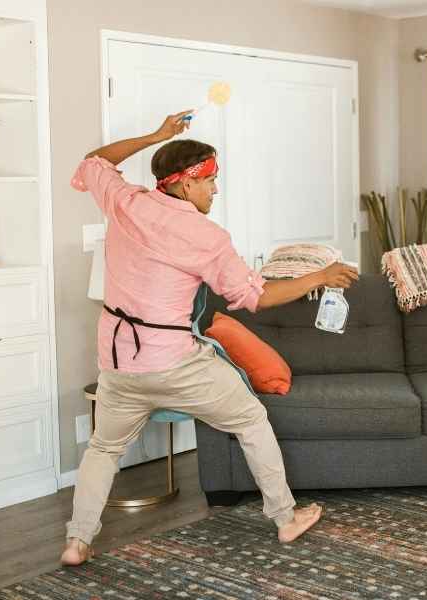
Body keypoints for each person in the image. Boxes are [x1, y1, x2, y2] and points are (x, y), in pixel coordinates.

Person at [61, 111, 359, 566]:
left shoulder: (125, 201)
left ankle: (78, 541)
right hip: (175, 363)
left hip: (118, 362)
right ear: (183, 183)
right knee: (251, 419)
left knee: (104, 448)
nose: (215, 189)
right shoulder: (207, 236)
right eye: (210, 180)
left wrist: (158, 136)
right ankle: (285, 517)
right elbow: (254, 296)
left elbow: (93, 162)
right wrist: (318, 275)